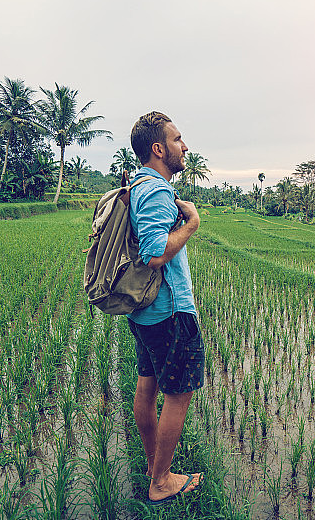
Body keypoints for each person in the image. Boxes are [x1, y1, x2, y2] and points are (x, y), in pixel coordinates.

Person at [127, 111, 204, 504]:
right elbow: (155, 252)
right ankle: (161, 482)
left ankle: (153, 464)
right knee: (178, 394)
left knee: (147, 386)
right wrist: (191, 223)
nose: (184, 146)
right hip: (169, 311)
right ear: (158, 149)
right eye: (177, 139)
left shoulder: (136, 184)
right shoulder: (156, 190)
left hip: (145, 313)